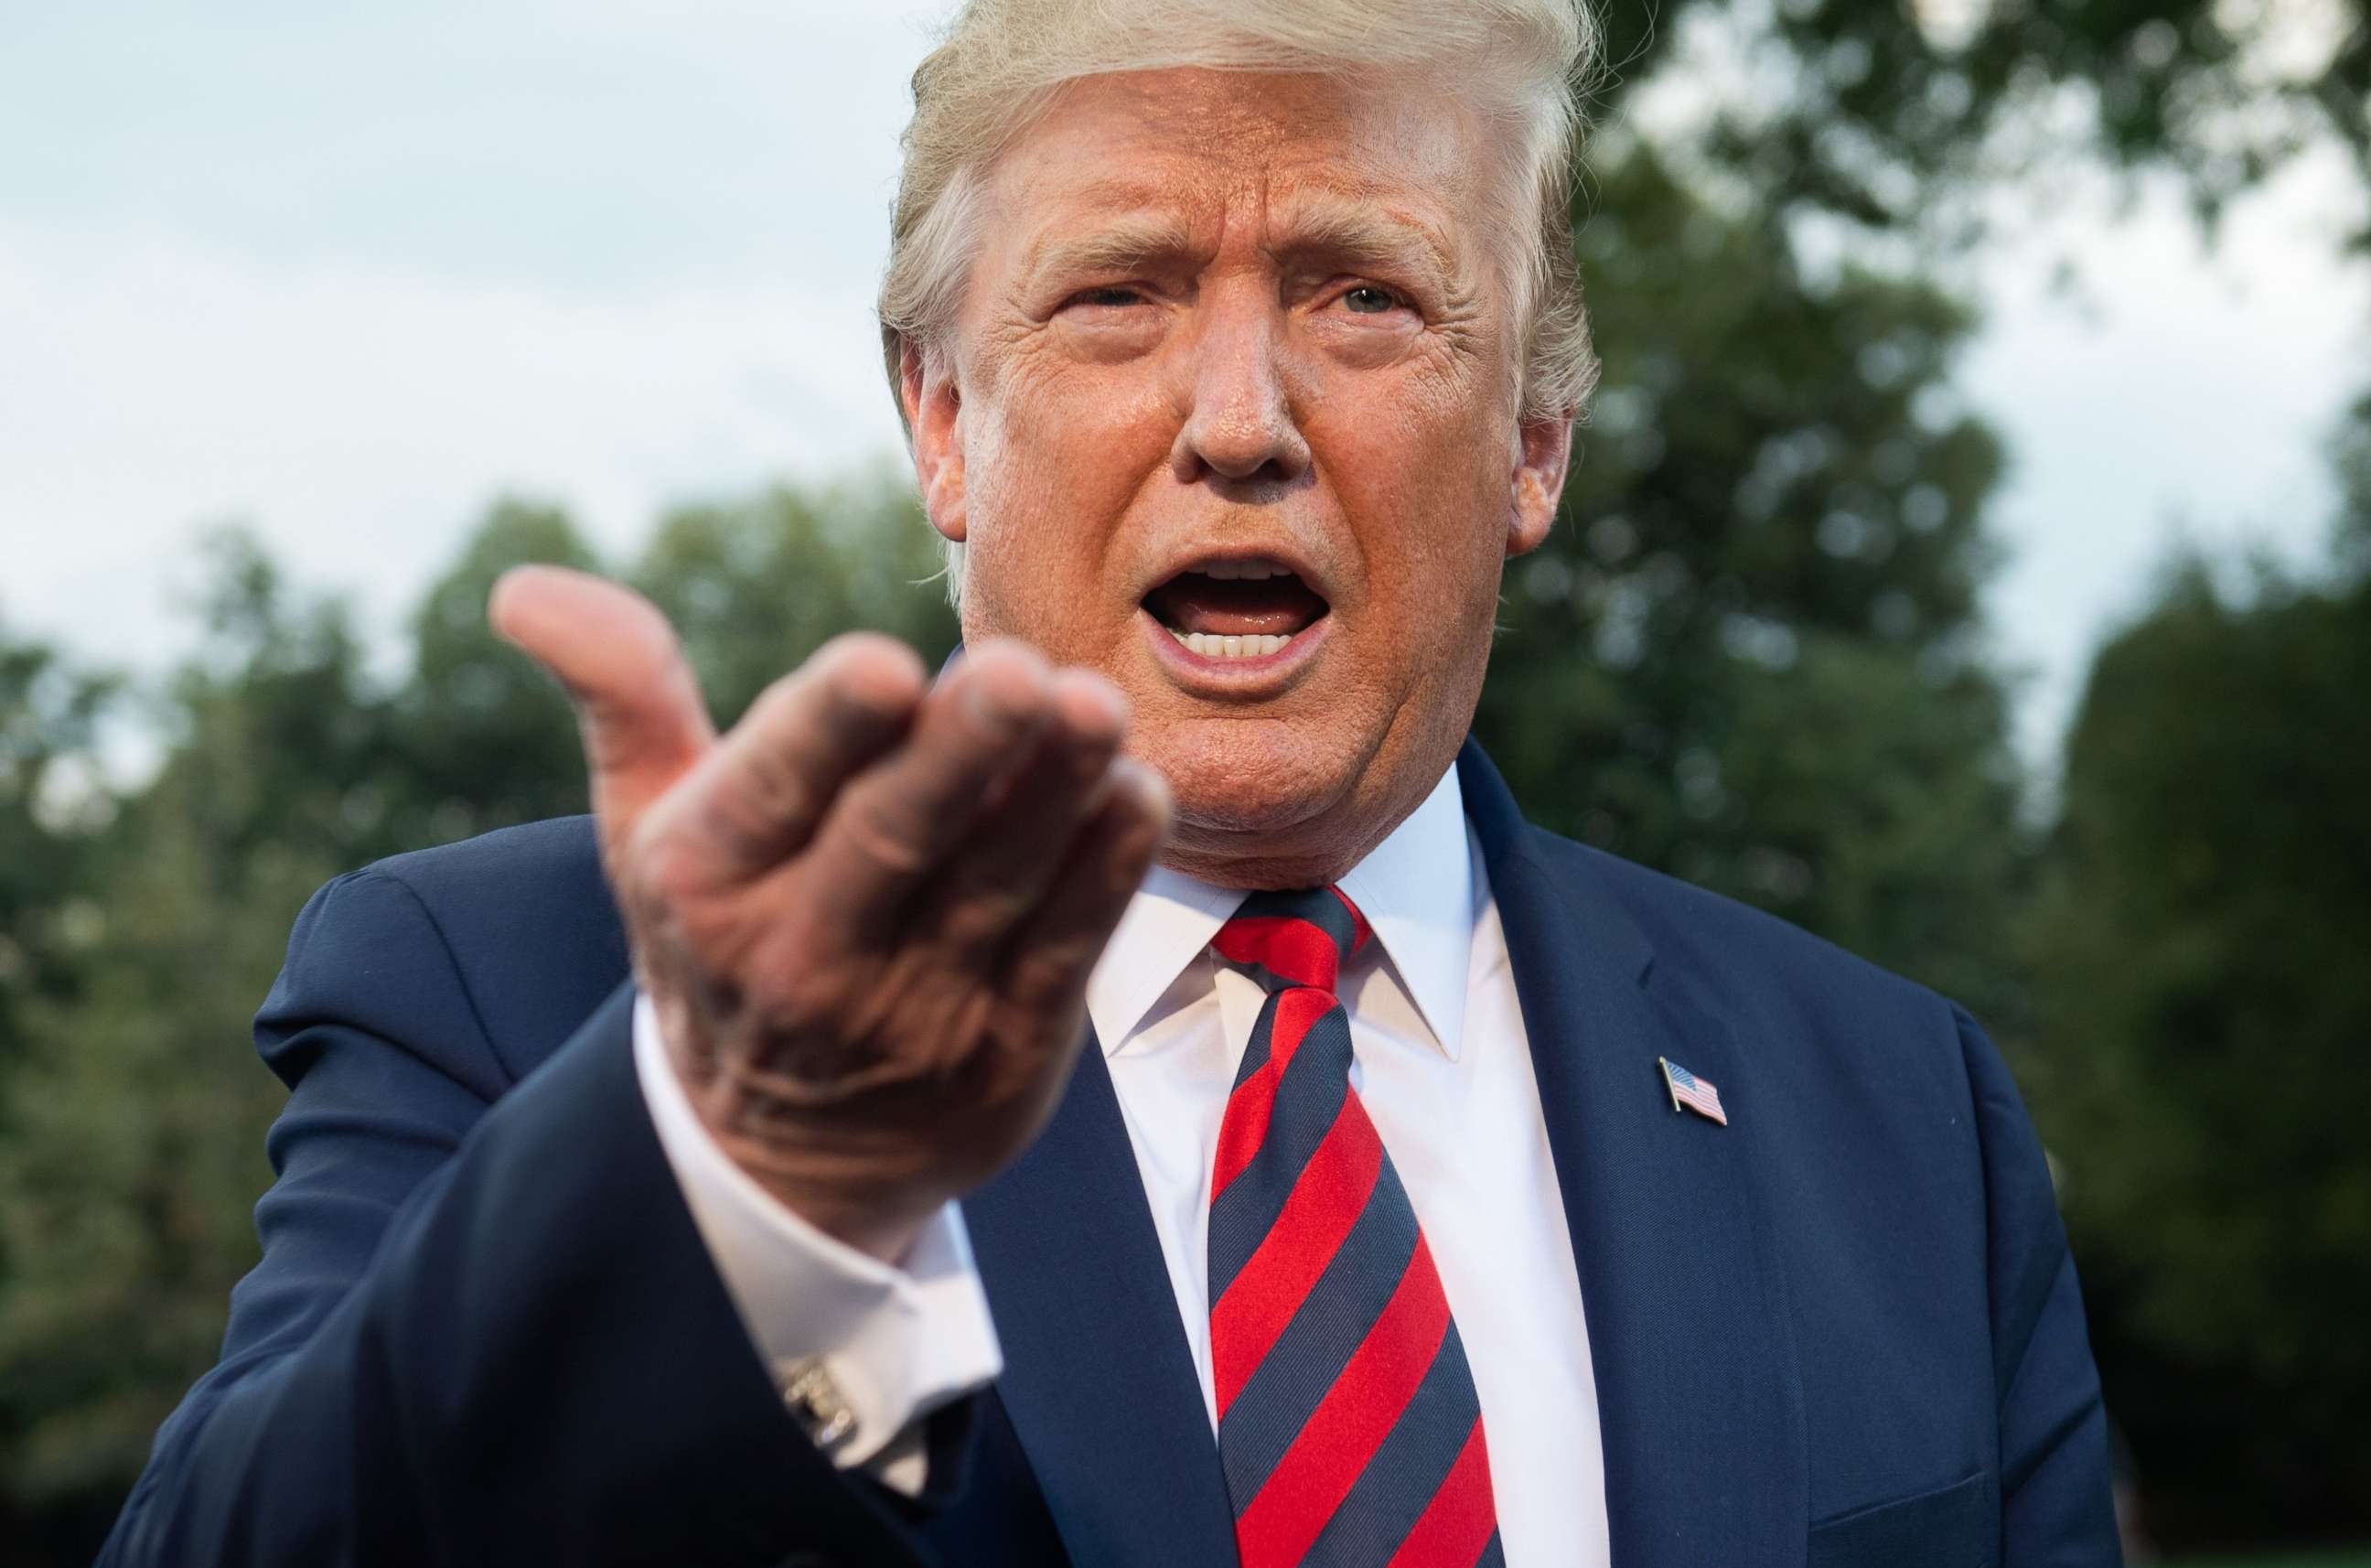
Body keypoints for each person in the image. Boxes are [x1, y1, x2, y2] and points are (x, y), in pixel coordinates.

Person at [99, 1, 2123, 1564]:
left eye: (1366, 293)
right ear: (942, 422)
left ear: (1534, 440)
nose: (1239, 419)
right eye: (1117, 294)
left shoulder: (1894, 1107)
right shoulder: (516, 990)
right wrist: (750, 1180)